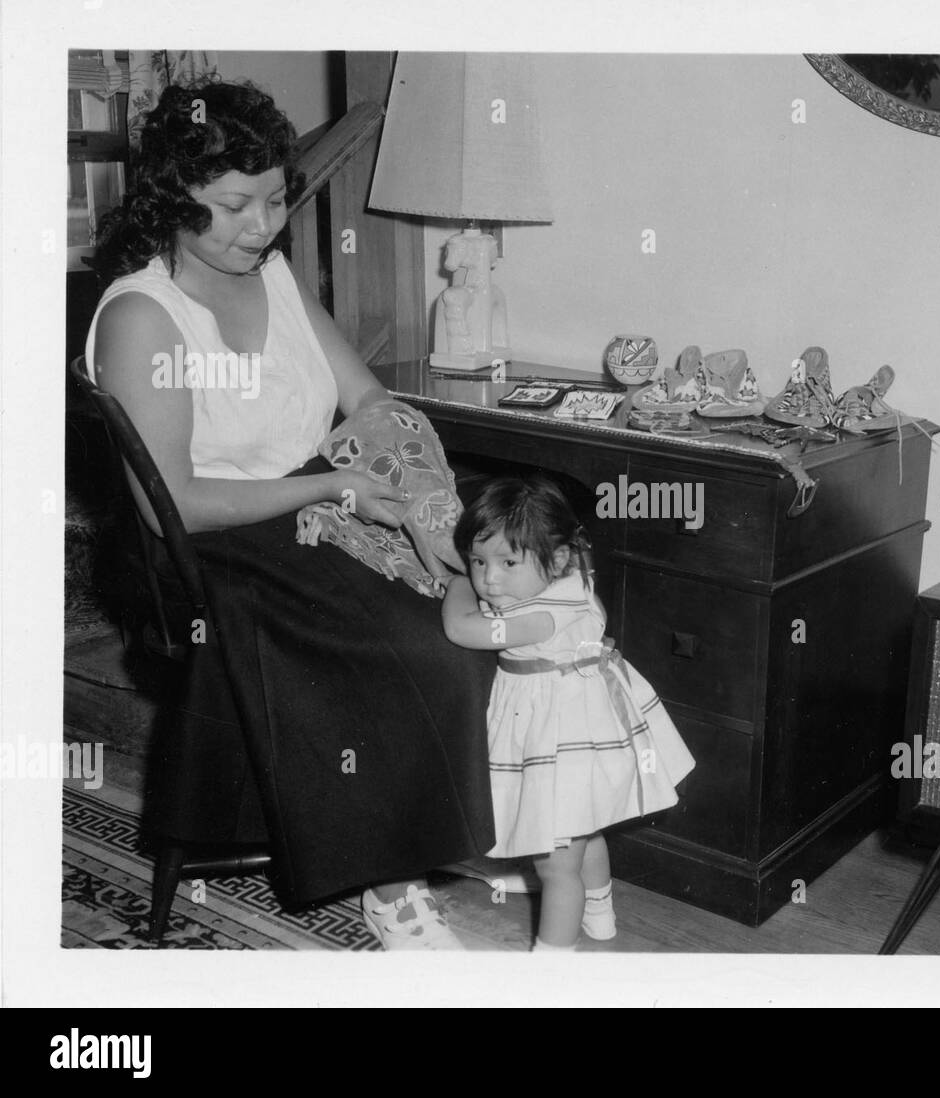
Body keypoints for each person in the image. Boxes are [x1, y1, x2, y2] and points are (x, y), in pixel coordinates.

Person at [86, 77, 498, 949]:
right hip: (207, 542)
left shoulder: (270, 274)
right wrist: (331, 491)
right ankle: (390, 884)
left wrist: (418, 497)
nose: (263, 225)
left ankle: (413, 824)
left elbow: (367, 397)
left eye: (274, 197)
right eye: (234, 205)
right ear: (173, 199)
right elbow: (179, 507)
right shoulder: (140, 316)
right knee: (408, 642)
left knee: (470, 608)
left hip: (311, 499)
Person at [442, 474, 696, 950]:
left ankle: (553, 965)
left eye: (507, 562)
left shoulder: (539, 616)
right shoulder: (570, 583)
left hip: (559, 742)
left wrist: (456, 582)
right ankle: (600, 914)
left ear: (555, 559)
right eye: (477, 561)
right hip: (578, 736)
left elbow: (462, 629)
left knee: (555, 865)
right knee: (585, 829)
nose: (488, 578)